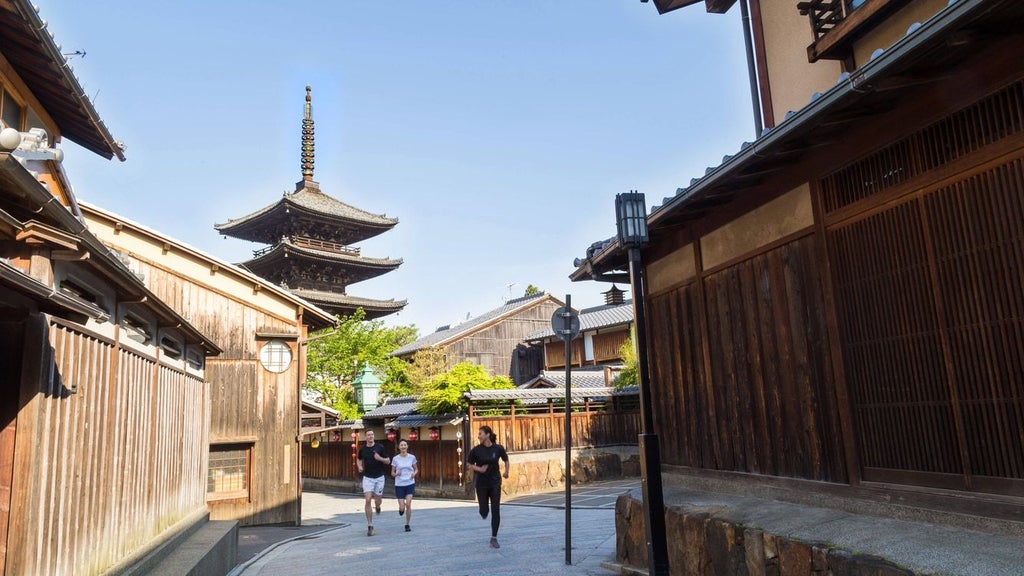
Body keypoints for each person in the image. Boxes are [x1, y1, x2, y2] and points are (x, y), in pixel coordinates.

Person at [466, 425, 510, 549]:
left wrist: (506, 471)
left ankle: (494, 538)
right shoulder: (476, 450)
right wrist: (479, 468)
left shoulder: (498, 448)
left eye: (480, 433)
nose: (478, 436)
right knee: (484, 511)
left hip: (495, 482)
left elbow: (506, 460)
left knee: (496, 509)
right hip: (481, 484)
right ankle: (483, 511)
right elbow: (468, 464)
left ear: (487, 435)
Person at [356, 430, 390, 536]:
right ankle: (370, 525)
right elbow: (359, 459)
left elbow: (388, 461)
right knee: (367, 500)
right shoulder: (363, 449)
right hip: (368, 477)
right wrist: (360, 466)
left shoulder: (380, 447)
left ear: (374, 436)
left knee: (378, 500)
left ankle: (378, 506)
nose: (370, 436)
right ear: (365, 437)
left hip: (379, 477)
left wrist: (379, 458)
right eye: (368, 435)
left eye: (372, 435)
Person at [390, 439, 418, 532]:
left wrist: (414, 474)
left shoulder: (412, 457)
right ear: (399, 447)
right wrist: (396, 474)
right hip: (399, 484)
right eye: (401, 445)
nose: (403, 446)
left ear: (407, 446)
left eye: (405, 445)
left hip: (410, 483)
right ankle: (401, 509)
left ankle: (407, 524)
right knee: (402, 506)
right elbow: (392, 473)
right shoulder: (395, 459)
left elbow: (416, 469)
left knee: (409, 504)